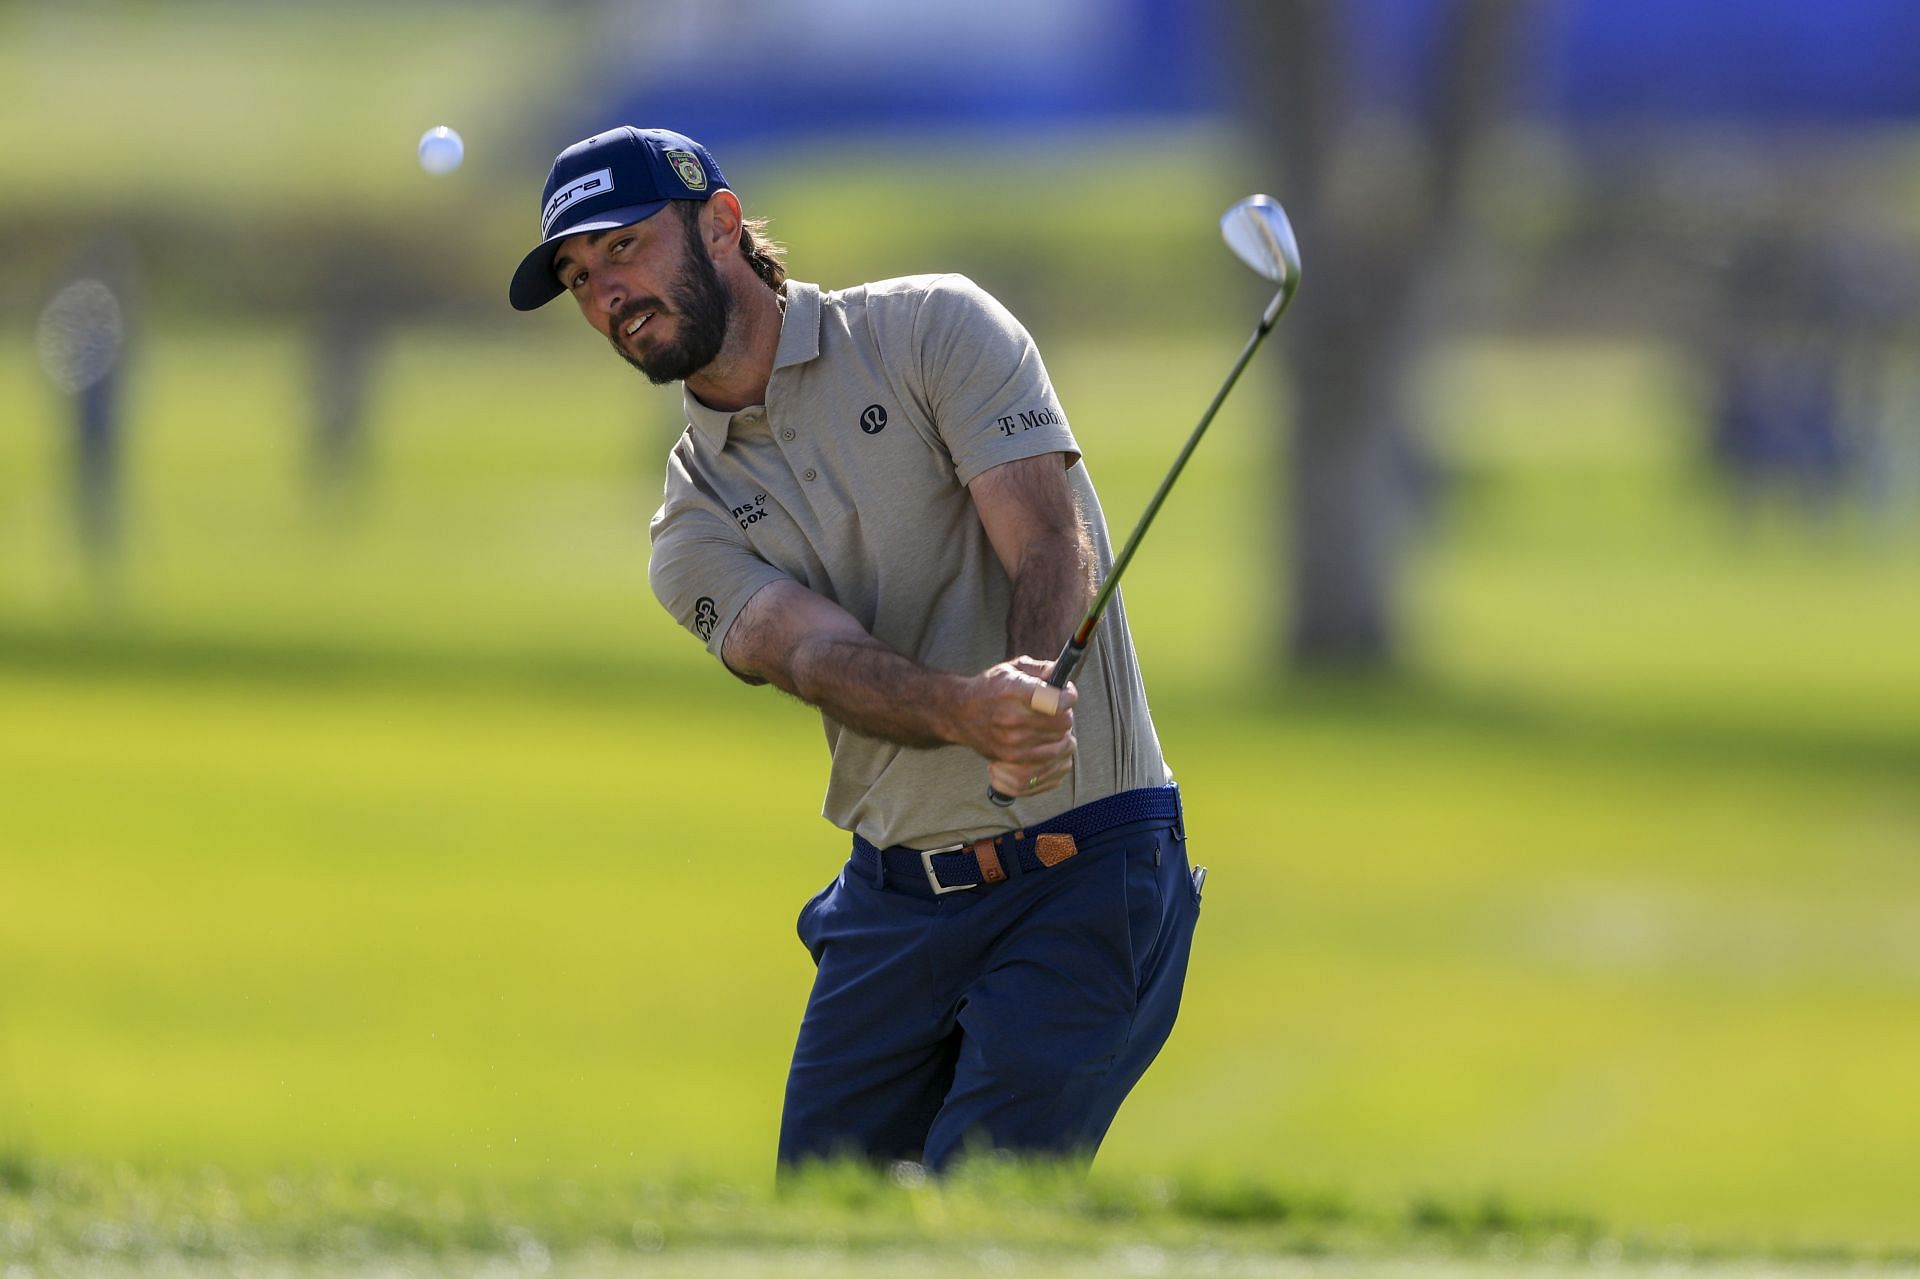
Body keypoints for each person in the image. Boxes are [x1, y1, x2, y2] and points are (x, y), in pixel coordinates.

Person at [510, 126, 1202, 1172]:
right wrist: (965, 712)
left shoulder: (934, 329)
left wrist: (1028, 690)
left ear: (724, 225)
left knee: (980, 1223)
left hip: (1084, 872)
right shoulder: (690, 524)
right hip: (892, 909)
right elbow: (812, 656)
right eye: (578, 274)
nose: (606, 291)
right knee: (826, 1227)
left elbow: (1048, 537)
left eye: (625, 248)